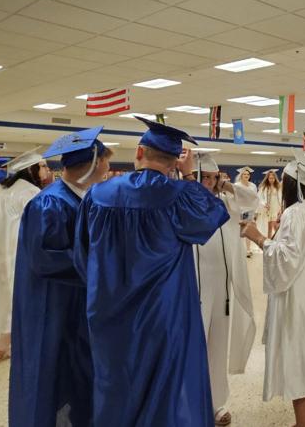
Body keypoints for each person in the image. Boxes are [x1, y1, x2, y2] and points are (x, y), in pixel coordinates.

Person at [74, 117, 229, 426]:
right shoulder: (179, 195)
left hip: (108, 312)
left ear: (139, 152)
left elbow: (82, 255)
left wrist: (101, 292)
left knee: (116, 384)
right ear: (173, 163)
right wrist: (188, 177)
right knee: (166, 387)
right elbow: (213, 213)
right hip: (164, 314)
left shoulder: (98, 195)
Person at [9, 127, 112, 426]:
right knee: (51, 374)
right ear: (94, 162)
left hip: (77, 305)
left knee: (78, 375)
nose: (107, 167)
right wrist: (103, 264)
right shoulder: (49, 203)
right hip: (52, 307)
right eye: (105, 160)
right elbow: (45, 259)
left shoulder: (81, 199)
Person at [240, 150, 305, 427]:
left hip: (300, 304)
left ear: (292, 184)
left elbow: (286, 259)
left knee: (299, 365)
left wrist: (258, 238)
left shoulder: (295, 213)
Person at [192, 153, 257, 426]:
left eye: (212, 177)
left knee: (217, 346)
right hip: (194, 288)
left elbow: (253, 201)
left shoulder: (225, 201)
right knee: (195, 346)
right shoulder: (185, 202)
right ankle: (192, 404)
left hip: (222, 289)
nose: (207, 183)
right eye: (203, 177)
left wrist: (227, 186)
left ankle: (216, 402)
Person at [0, 149, 48, 362]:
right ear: (31, 169)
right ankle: (18, 345)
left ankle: (3, 343)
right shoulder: (32, 192)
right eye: (42, 166)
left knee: (3, 297)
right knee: (20, 299)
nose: (46, 170)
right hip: (19, 253)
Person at [235, 166, 260, 257]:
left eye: (248, 174)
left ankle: (248, 249)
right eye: (244, 174)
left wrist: (256, 211)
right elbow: (235, 199)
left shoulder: (253, 186)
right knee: (240, 231)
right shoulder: (237, 185)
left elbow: (256, 199)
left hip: (249, 211)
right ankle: (241, 249)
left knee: (248, 230)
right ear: (241, 175)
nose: (246, 175)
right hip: (240, 210)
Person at [258, 169, 282, 239]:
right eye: (270, 178)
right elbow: (260, 198)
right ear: (267, 178)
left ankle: (276, 240)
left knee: (275, 226)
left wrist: (281, 208)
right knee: (268, 226)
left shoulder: (278, 187)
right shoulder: (264, 187)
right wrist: (264, 204)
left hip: (276, 208)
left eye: (273, 178)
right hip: (267, 208)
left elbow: (280, 198)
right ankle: (268, 241)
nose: (272, 179)